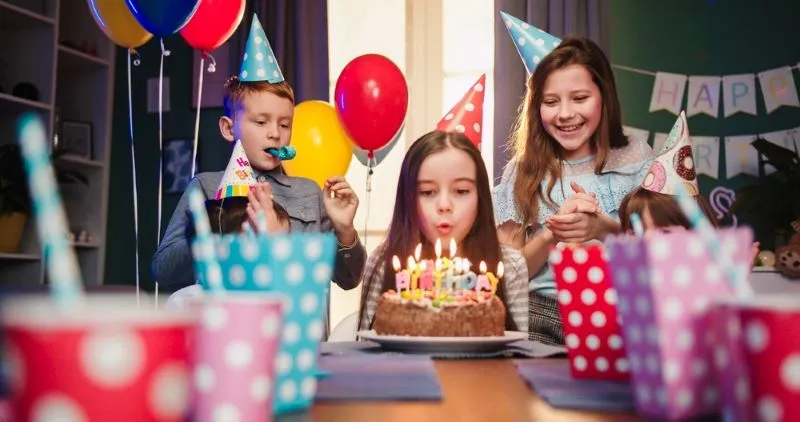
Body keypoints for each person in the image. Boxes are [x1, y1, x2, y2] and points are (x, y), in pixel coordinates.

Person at [152, 16, 365, 296]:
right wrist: (214, 233)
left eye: (284, 124)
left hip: (299, 330)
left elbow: (349, 279)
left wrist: (345, 230)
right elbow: (162, 271)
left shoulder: (309, 194)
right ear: (229, 128)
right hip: (229, 328)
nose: (275, 133)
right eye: (261, 122)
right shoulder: (204, 187)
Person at [492, 36, 654, 345]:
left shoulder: (637, 158)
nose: (565, 114)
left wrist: (603, 228)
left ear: (604, 97)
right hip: (542, 316)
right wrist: (553, 233)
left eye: (579, 98)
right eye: (551, 102)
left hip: (621, 314)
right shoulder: (523, 171)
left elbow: (659, 256)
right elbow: (510, 277)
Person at [356, 131, 530, 332]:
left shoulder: (510, 265)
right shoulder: (383, 261)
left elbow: (519, 355)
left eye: (461, 191)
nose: (444, 205)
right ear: (408, 199)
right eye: (428, 192)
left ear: (480, 198)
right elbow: (366, 351)